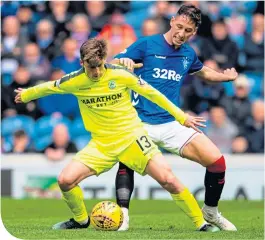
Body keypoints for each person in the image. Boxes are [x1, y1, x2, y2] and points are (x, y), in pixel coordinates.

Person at [14, 38, 217, 232]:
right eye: (90, 67)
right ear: (81, 62)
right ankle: (81, 220)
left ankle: (201, 223)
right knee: (65, 180)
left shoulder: (120, 75)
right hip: (101, 145)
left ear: (104, 60)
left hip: (132, 138)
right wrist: (25, 94)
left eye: (99, 66)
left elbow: (154, 94)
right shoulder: (75, 80)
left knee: (168, 179)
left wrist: (182, 117)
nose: (95, 72)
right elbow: (50, 87)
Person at [113, 4, 238, 231]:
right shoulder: (146, 44)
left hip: (172, 123)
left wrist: (224, 77)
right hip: (140, 122)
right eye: (179, 26)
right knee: (127, 160)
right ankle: (122, 215)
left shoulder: (188, 54)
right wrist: (125, 63)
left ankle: (210, 211)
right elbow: (114, 63)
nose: (182, 33)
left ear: (194, 32)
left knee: (217, 162)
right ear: (172, 21)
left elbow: (202, 72)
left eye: (188, 30)